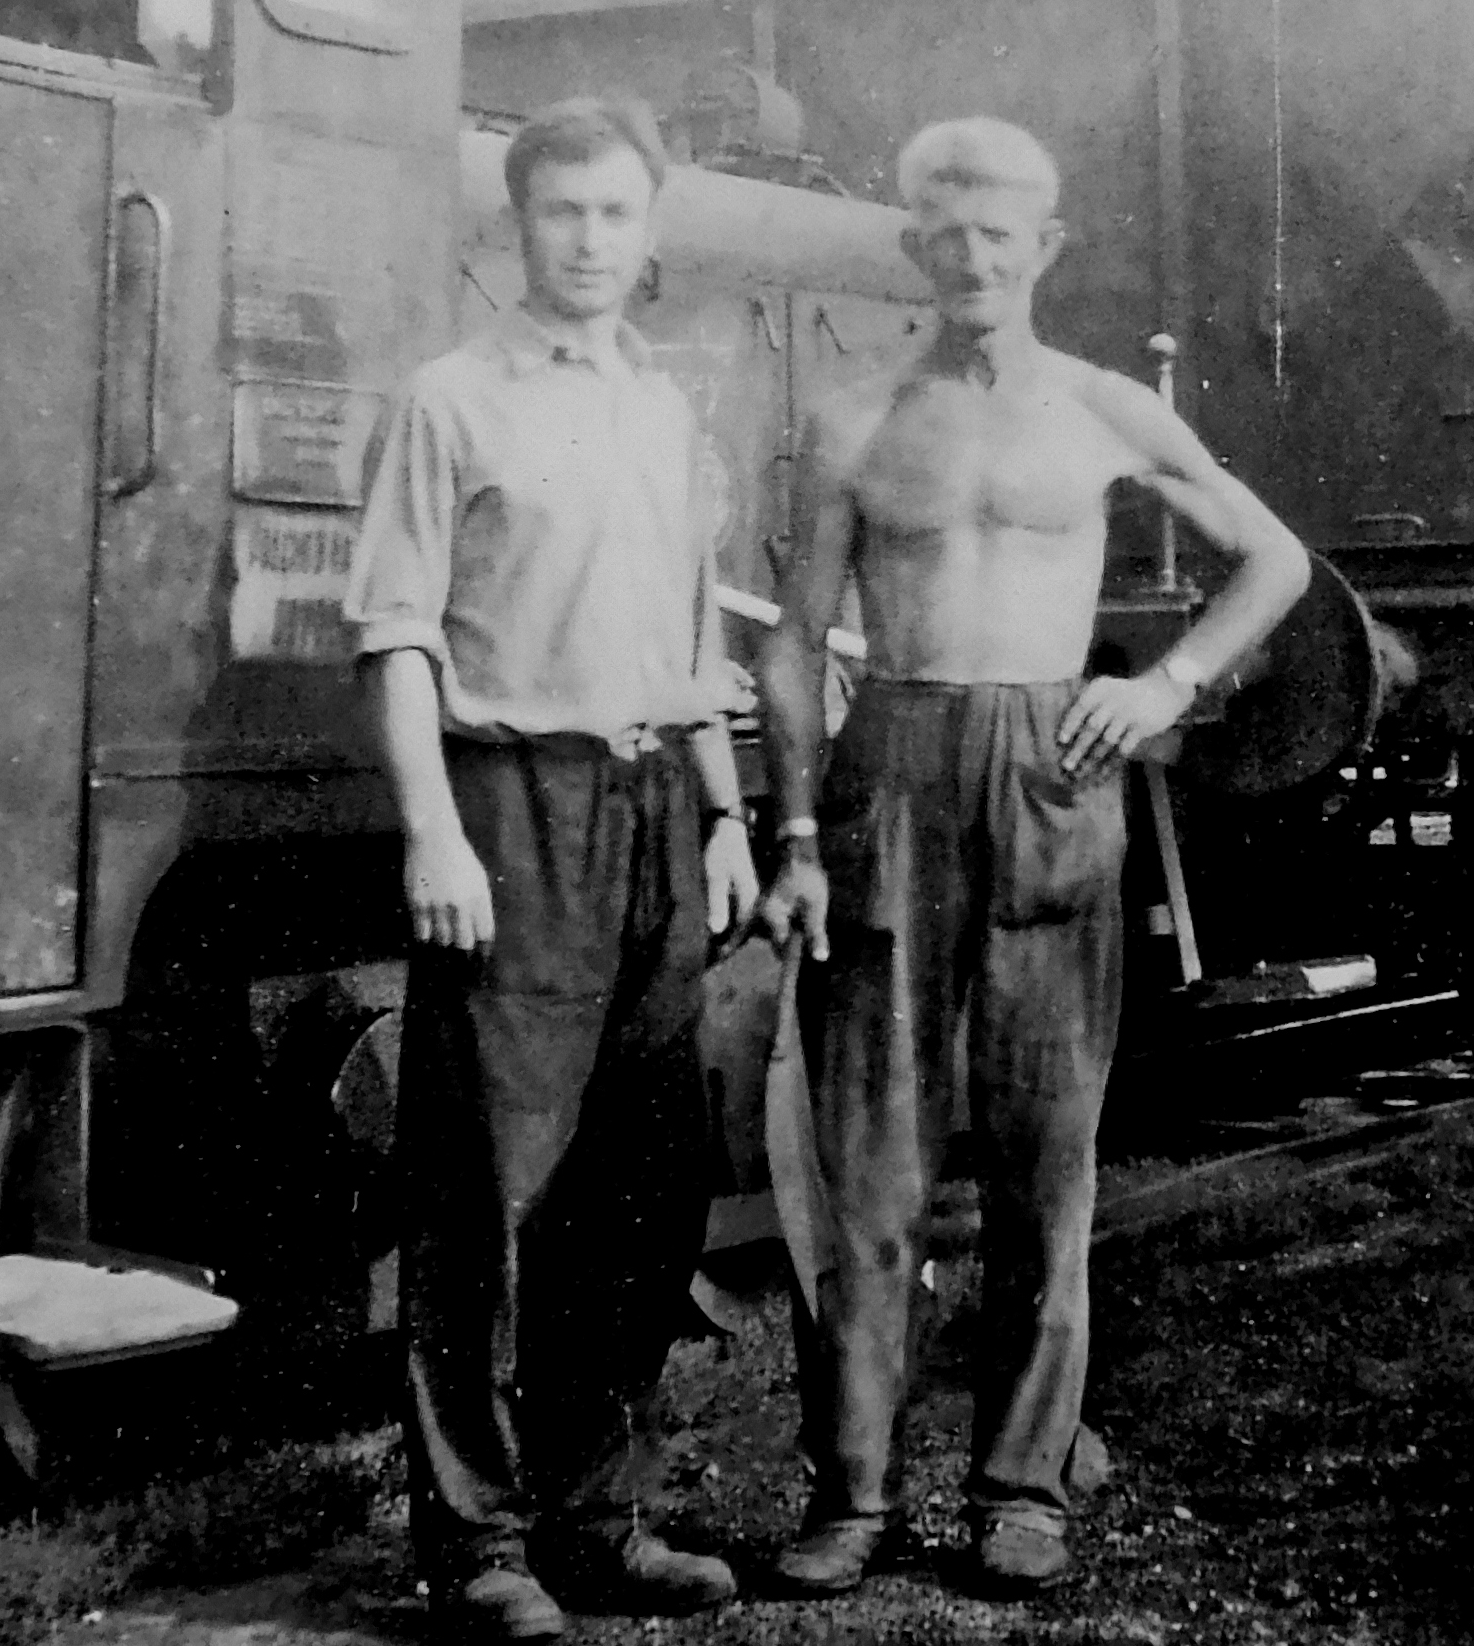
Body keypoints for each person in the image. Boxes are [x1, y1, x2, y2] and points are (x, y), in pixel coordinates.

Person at [757, 116, 1311, 1597]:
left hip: (1052, 771)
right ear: (912, 248)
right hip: (892, 762)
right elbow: (796, 644)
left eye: (1000, 233)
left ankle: (1019, 1488)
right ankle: (852, 1496)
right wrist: (797, 830)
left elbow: (1274, 561)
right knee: (870, 1163)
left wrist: (1166, 685)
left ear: (1045, 246)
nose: (973, 258)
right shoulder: (854, 418)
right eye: (945, 234)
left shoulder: (1102, 408)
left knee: (1044, 1154)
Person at [344, 96, 758, 1640]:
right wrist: (434, 831)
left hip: (655, 811)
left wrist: (725, 815)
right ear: (515, 226)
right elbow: (396, 636)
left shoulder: (664, 408)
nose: (589, 240)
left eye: (614, 213)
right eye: (561, 212)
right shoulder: (449, 399)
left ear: (649, 234)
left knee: (640, 1195)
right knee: (485, 1196)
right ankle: (476, 1546)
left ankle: (594, 1522)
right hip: (512, 806)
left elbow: (696, 637)